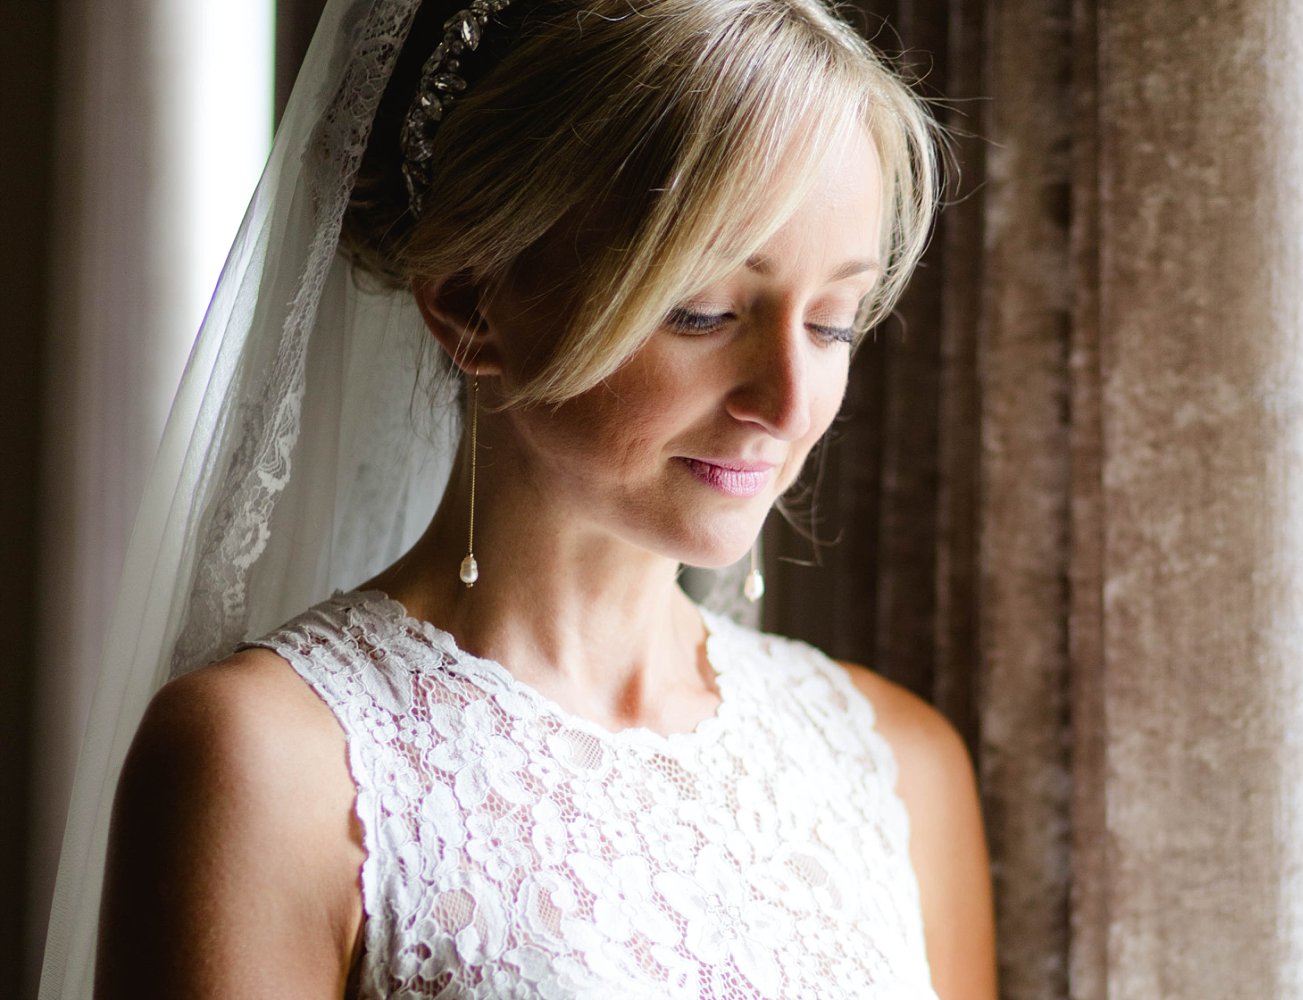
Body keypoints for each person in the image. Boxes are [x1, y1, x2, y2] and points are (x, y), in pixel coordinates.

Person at [40, 0, 995, 996]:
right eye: (702, 311)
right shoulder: (270, 764)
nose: (789, 401)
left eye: (835, 324)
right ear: (469, 301)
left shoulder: (894, 767)